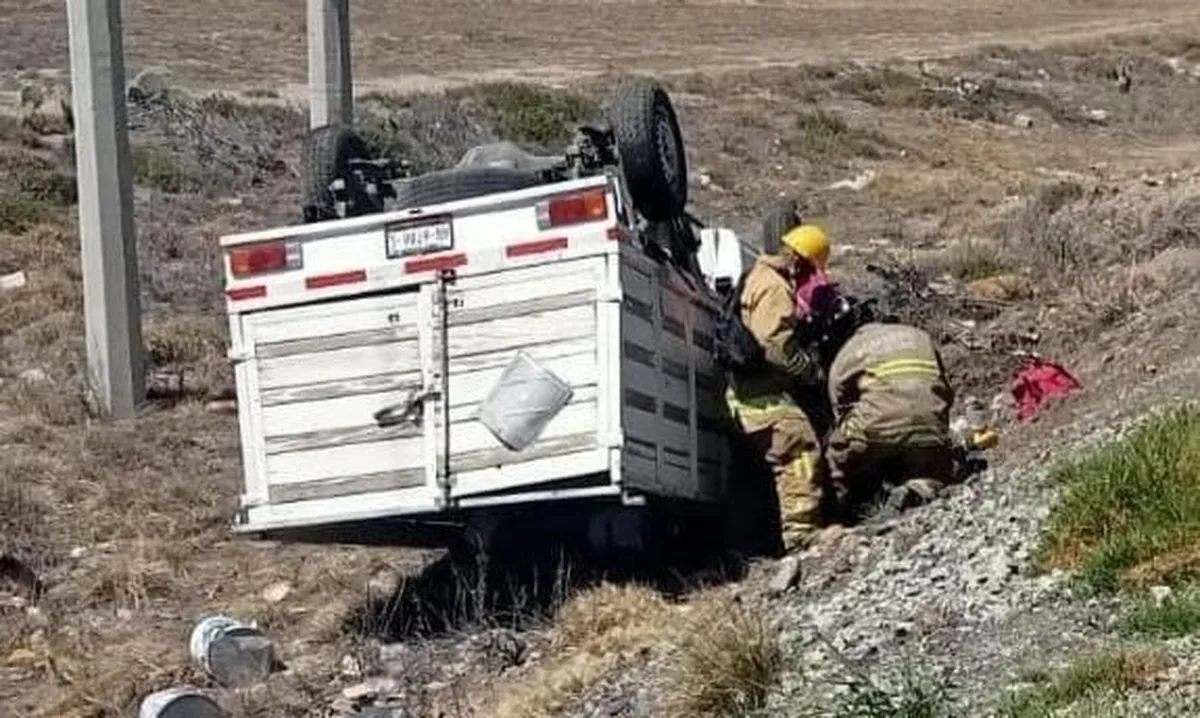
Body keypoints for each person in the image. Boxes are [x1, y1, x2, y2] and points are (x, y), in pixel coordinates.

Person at [723, 223, 834, 553]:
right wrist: (808, 371)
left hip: (746, 394)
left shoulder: (756, 275)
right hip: (761, 395)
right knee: (799, 448)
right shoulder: (774, 288)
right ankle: (801, 532)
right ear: (799, 260)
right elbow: (774, 343)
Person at [823, 320, 958, 521]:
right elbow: (945, 388)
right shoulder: (920, 336)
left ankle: (841, 514)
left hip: (876, 429)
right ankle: (918, 487)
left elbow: (837, 400)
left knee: (837, 456)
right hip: (929, 424)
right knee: (934, 467)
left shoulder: (851, 347)